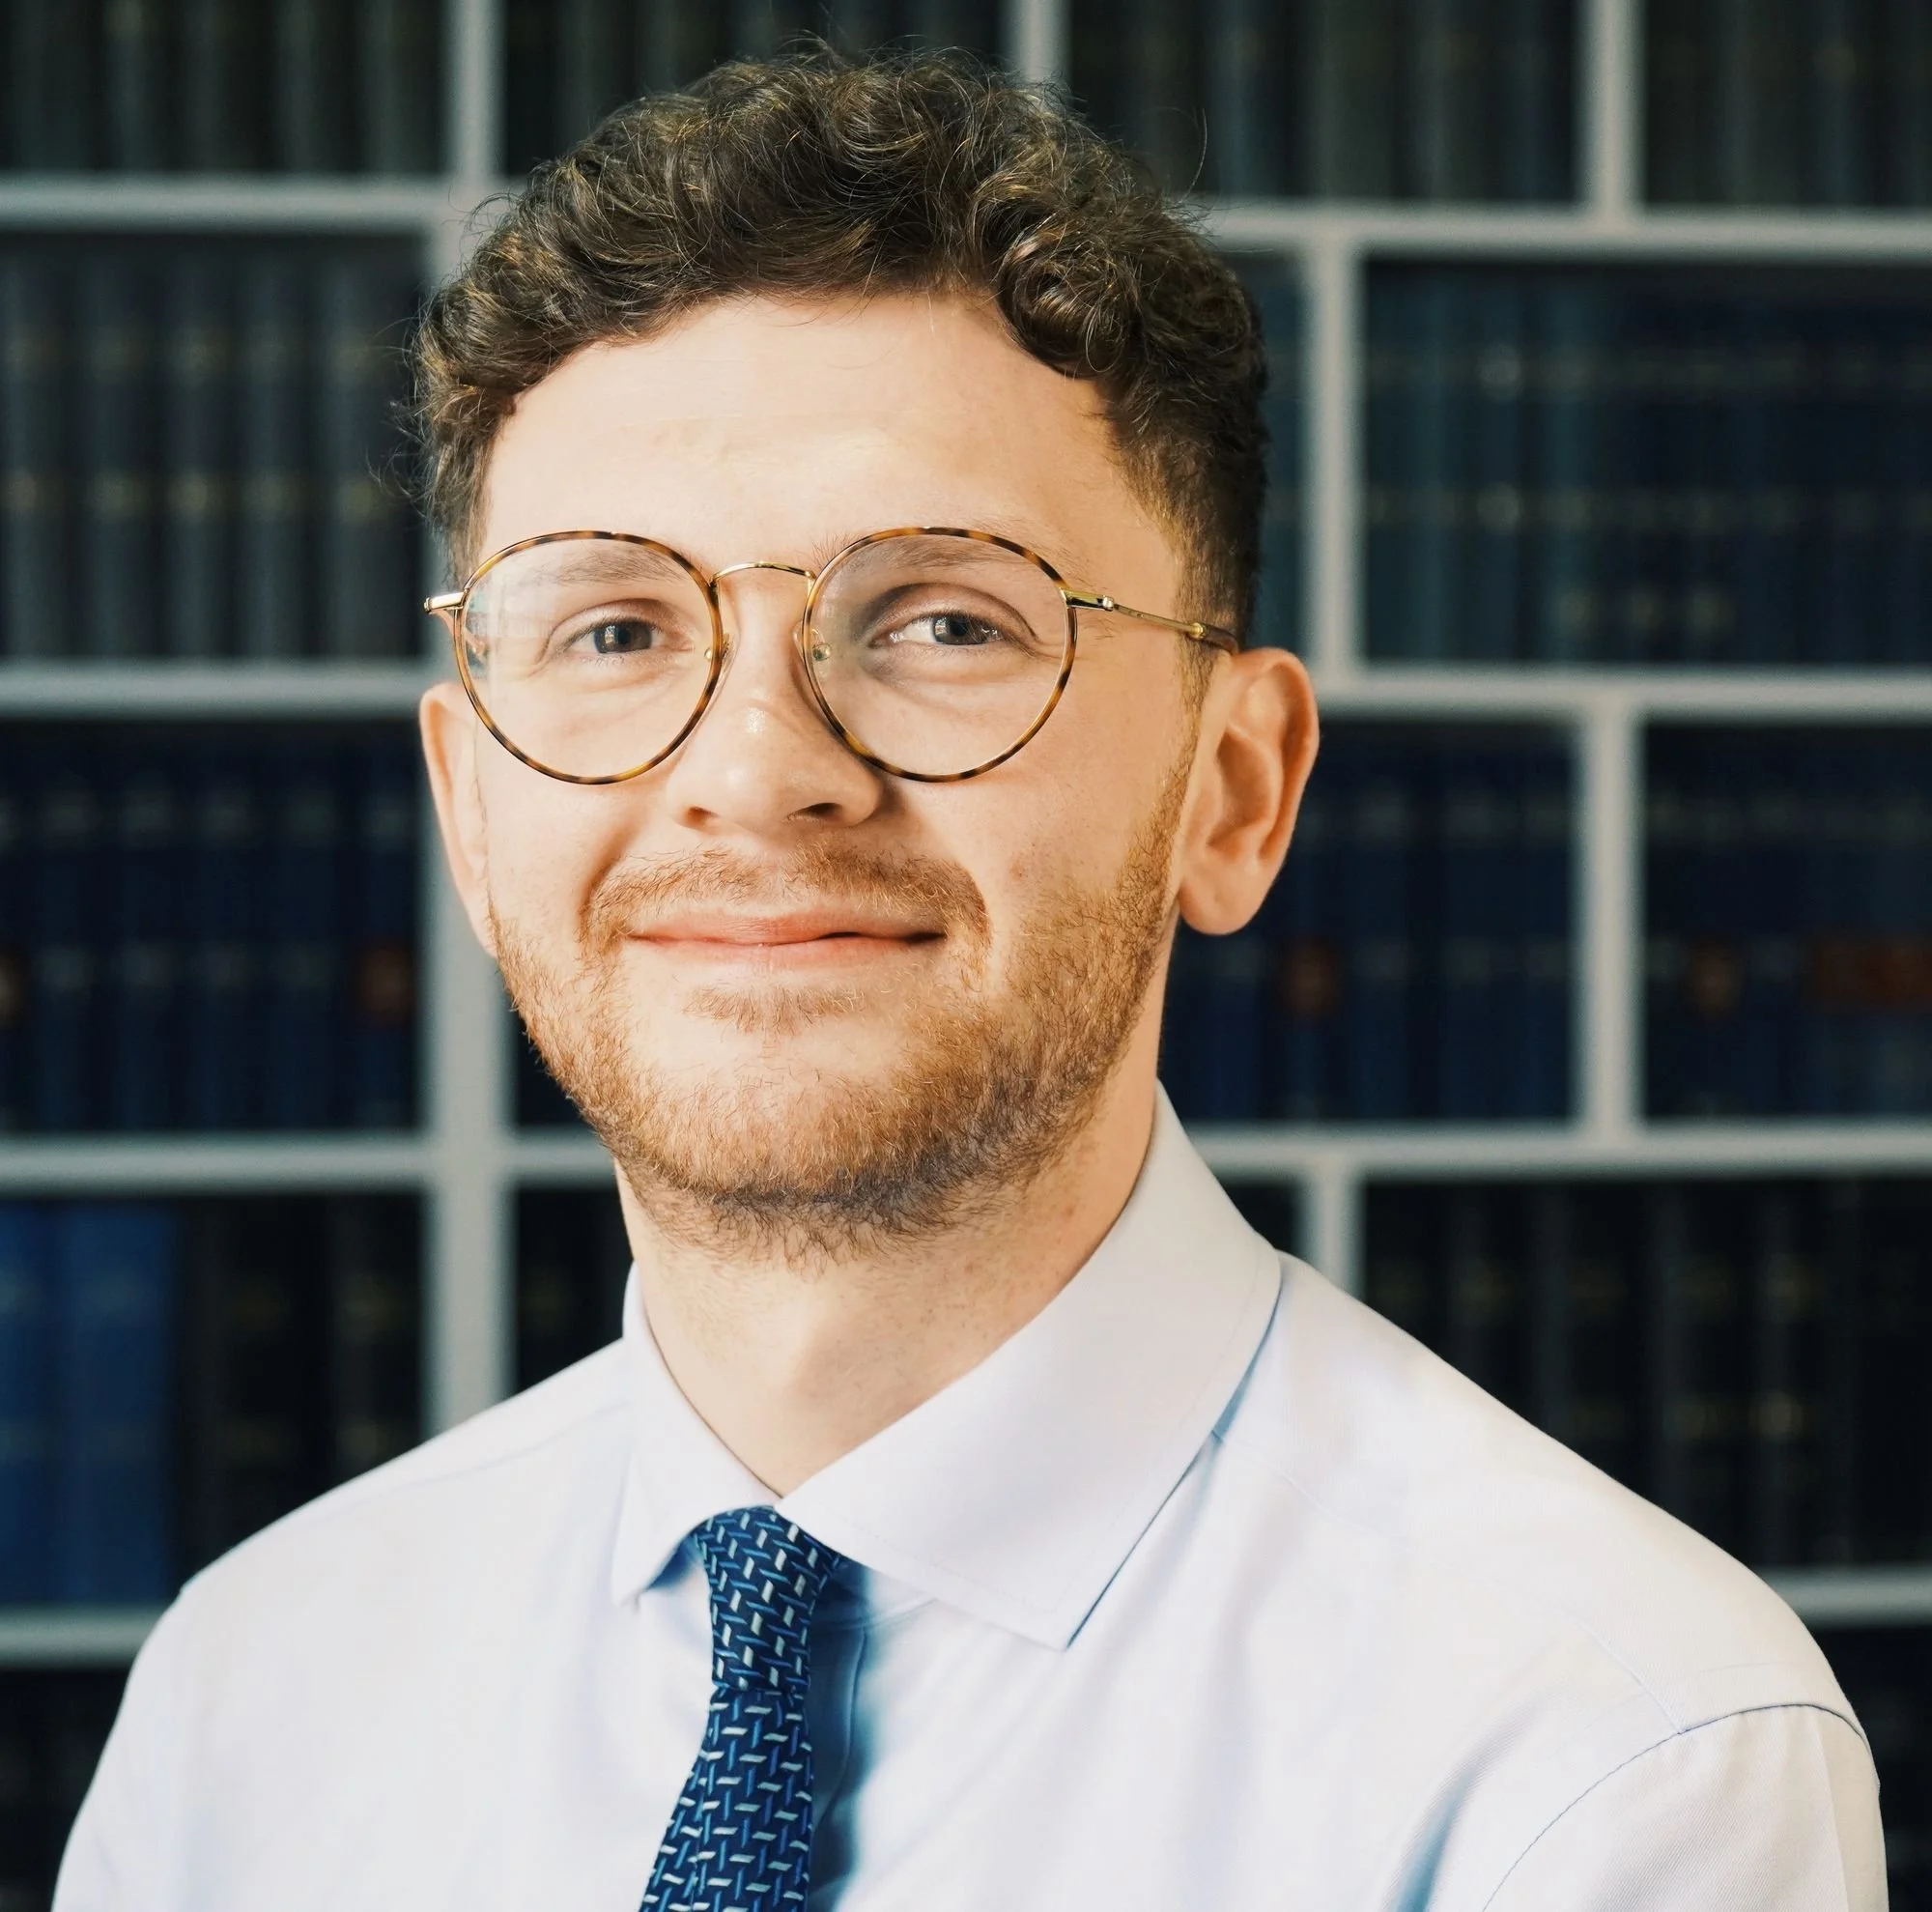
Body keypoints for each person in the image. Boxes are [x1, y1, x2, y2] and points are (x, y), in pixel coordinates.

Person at [58, 49, 1881, 1912]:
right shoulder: (250, 1708)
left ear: (1233, 793)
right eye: (614, 623)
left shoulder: (1602, 1766)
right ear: (466, 805)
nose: (758, 764)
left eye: (943, 619)